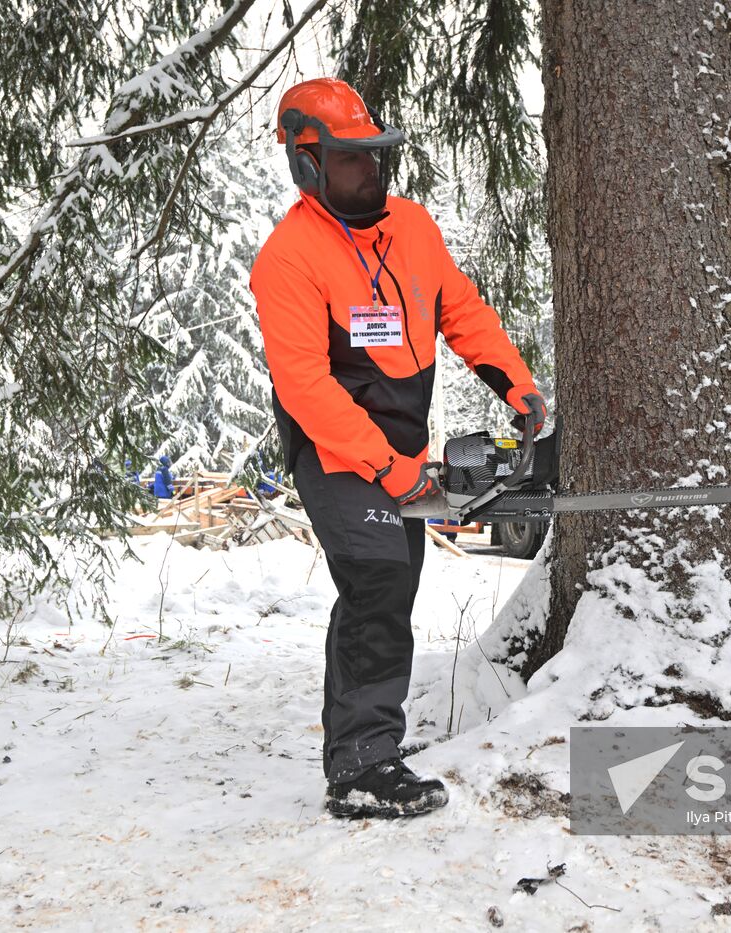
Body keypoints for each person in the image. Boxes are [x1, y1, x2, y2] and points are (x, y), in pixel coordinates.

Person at [249, 77, 547, 819]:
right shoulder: (288, 258)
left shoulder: (411, 227)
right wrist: (389, 468)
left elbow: (463, 310)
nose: (370, 171)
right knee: (378, 584)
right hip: (334, 451)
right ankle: (360, 765)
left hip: (401, 446)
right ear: (307, 164)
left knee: (384, 592)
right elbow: (308, 389)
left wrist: (517, 384)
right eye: (351, 161)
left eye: (375, 156)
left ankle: (362, 743)